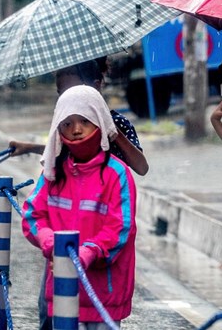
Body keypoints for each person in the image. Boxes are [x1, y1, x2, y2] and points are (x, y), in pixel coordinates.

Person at [21, 85, 137, 328]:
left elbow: (121, 229)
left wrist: (88, 253)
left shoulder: (118, 174)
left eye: (84, 120)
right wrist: (51, 243)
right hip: (62, 292)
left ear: (100, 121)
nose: (76, 129)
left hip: (104, 294)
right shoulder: (53, 171)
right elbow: (33, 215)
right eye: (67, 123)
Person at [9, 58, 149, 177]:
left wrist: (111, 129)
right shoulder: (68, 124)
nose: (68, 99)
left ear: (96, 86)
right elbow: (61, 151)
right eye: (62, 94)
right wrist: (28, 147)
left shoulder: (118, 122)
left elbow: (142, 168)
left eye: (74, 92)